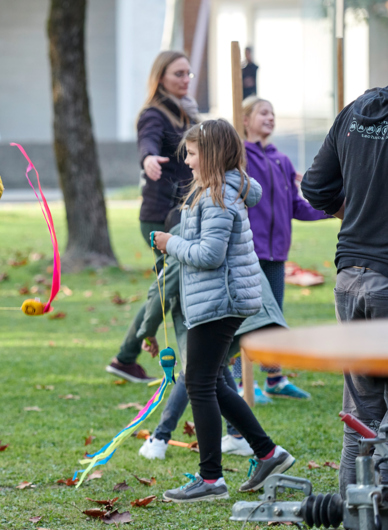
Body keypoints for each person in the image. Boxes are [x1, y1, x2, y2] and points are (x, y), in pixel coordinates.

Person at [153, 119, 294, 502]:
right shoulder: (215, 192)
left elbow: (210, 255)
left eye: (194, 154)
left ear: (212, 156)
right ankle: (269, 453)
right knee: (211, 380)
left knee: (199, 383)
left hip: (220, 302)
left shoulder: (218, 197)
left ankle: (211, 479)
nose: (188, 161)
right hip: (218, 300)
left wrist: (171, 243)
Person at [136, 224, 289, 461]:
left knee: (196, 374)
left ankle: (161, 438)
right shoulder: (208, 227)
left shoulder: (183, 240)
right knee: (213, 372)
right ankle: (243, 440)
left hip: (230, 313)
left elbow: (160, 293)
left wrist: (147, 333)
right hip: (255, 310)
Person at [301, 85, 388, 496]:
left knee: (361, 413)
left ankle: (355, 512)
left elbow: (315, 186)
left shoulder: (355, 110)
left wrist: (349, 212)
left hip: (350, 276)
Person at [106, 50, 198, 384]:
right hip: (161, 216)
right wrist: (147, 158)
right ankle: (130, 356)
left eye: (188, 73)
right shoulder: (154, 114)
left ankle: (127, 357)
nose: (186, 79)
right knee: (167, 289)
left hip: (184, 213)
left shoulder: (187, 115)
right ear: (160, 78)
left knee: (167, 287)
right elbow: (148, 141)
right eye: (178, 74)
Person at [234, 95, 327, 400]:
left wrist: (335, 208)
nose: (270, 118)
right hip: (248, 253)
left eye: (273, 114)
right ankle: (241, 381)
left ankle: (274, 377)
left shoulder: (282, 161)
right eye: (263, 113)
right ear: (245, 120)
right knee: (245, 316)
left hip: (276, 255)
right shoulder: (239, 159)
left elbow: (296, 207)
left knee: (273, 315)